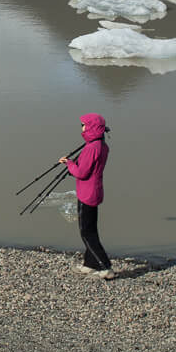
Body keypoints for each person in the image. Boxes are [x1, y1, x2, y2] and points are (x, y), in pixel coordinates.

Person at [64, 112, 112, 277]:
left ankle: (105, 267)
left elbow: (81, 173)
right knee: (91, 230)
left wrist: (69, 164)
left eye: (83, 125)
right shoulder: (102, 146)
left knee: (86, 233)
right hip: (95, 192)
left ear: (91, 127)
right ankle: (89, 264)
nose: (82, 127)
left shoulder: (91, 148)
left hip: (87, 194)